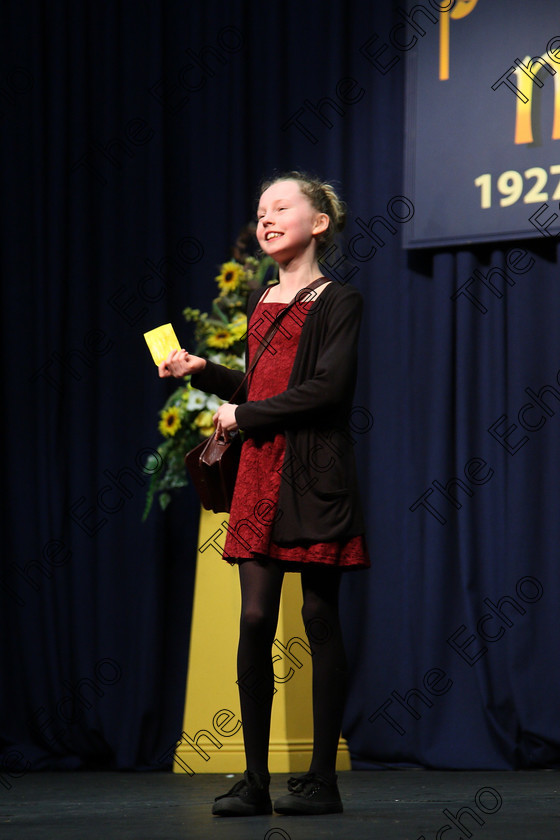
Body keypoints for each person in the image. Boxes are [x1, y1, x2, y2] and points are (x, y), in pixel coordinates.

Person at [159, 171, 370, 816]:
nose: (267, 219)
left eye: (281, 208)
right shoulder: (261, 304)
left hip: (314, 474)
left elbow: (327, 390)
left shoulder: (339, 300)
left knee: (317, 618)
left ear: (320, 221)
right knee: (254, 618)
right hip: (260, 474)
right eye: (260, 212)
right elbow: (260, 387)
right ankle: (253, 779)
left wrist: (243, 418)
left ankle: (320, 781)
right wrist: (207, 372)